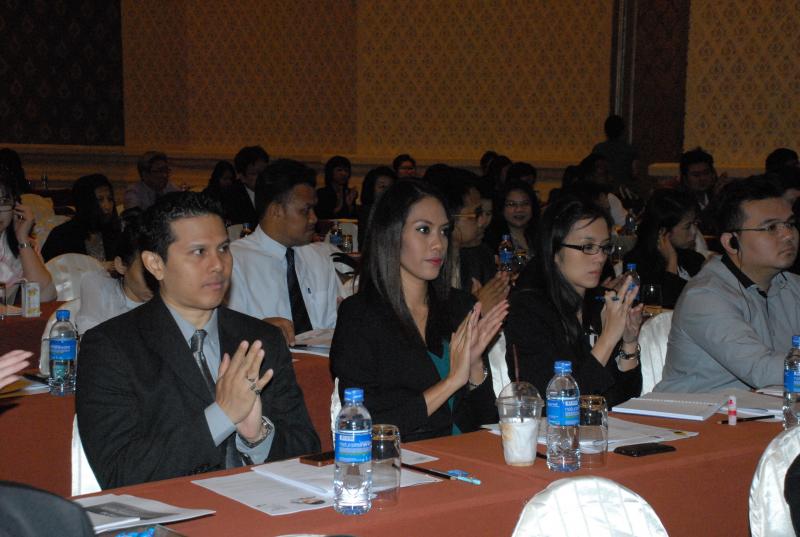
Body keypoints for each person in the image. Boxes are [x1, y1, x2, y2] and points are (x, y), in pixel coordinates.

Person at [76, 192, 319, 489]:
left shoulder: (260, 339)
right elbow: (119, 472)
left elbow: (306, 451)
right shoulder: (111, 347)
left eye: (223, 249)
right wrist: (222, 416)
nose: (218, 265)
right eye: (199, 252)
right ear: (155, 264)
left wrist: (257, 437)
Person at [330, 180, 508, 442]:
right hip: (404, 456)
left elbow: (487, 421)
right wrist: (451, 382)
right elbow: (366, 425)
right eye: (424, 230)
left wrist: (474, 369)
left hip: (466, 452)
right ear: (391, 234)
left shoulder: (461, 306)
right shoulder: (360, 316)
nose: (438, 244)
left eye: (444, 231)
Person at [655, 177, 800, 393]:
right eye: (771, 227)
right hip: (696, 411)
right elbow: (762, 370)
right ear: (732, 242)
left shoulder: (792, 285)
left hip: (764, 409)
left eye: (790, 224)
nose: (788, 235)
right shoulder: (705, 297)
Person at [504, 195, 644, 407]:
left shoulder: (601, 302)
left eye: (605, 247)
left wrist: (629, 341)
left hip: (606, 425)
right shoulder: (528, 311)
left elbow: (627, 398)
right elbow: (556, 403)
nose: (600, 257)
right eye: (587, 247)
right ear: (554, 250)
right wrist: (607, 339)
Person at [228, 160, 342, 345]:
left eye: (314, 209)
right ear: (276, 211)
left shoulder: (320, 257)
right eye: (305, 211)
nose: (314, 218)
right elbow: (226, 332)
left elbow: (334, 325)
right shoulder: (234, 261)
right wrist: (256, 331)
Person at [432, 167, 508, 311]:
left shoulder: (480, 257)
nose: (483, 222)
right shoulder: (425, 265)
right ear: (449, 216)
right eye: (477, 214)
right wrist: (474, 308)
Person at [75, 209, 153, 334]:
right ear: (121, 265)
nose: (156, 279)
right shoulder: (97, 286)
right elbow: (90, 338)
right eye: (146, 273)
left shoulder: (170, 295)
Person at [623, 189, 705, 308]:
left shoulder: (694, 259)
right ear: (663, 232)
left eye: (695, 223)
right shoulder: (637, 262)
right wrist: (672, 262)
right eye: (687, 226)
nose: (694, 231)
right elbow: (661, 306)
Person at [0, 172, 56, 302]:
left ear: (16, 206)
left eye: (3, 201)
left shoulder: (23, 246)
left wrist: (22, 238)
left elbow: (44, 296)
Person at [42, 174, 121, 263]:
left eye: (110, 199)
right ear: (85, 204)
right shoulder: (62, 236)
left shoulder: (116, 234)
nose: (107, 206)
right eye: (100, 200)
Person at [484, 179, 539, 256]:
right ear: (501, 208)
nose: (519, 209)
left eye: (525, 203)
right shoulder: (490, 240)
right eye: (511, 204)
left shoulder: (542, 236)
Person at [592, 114, 641, 199]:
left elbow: (594, 172)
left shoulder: (598, 149)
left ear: (605, 130)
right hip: (625, 193)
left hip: (604, 193)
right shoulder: (630, 149)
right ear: (622, 131)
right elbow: (635, 173)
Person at [221, 146, 269, 226]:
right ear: (242, 177)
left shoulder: (276, 191)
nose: (261, 177)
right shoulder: (230, 198)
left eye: (264, 172)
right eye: (254, 174)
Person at [357, 166, 396, 247]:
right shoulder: (363, 212)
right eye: (382, 187)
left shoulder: (398, 212)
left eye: (390, 187)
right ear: (371, 188)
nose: (386, 191)